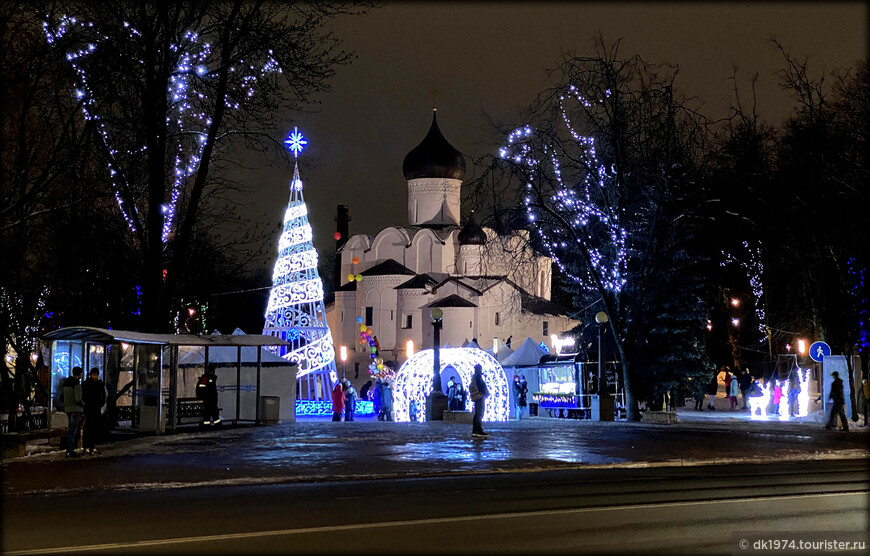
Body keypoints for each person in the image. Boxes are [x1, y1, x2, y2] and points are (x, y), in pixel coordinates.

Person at [81, 368, 106, 455]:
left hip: (94, 408)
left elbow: (104, 396)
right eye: (94, 374)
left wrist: (101, 403)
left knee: (93, 428)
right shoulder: (88, 384)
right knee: (88, 428)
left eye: (96, 375)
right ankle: (87, 446)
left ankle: (91, 446)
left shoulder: (97, 384)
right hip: (90, 408)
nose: (95, 376)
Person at [61, 366, 84, 458]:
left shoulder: (66, 383)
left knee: (70, 429)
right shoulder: (76, 384)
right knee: (73, 431)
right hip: (75, 409)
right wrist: (83, 405)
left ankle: (69, 450)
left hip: (68, 408)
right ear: (80, 374)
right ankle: (70, 450)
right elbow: (78, 399)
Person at [470, 364, 489, 437]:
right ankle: (478, 430)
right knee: (479, 413)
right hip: (480, 397)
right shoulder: (478, 377)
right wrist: (483, 393)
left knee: (477, 413)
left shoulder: (475, 377)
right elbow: (481, 386)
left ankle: (476, 430)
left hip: (478, 397)